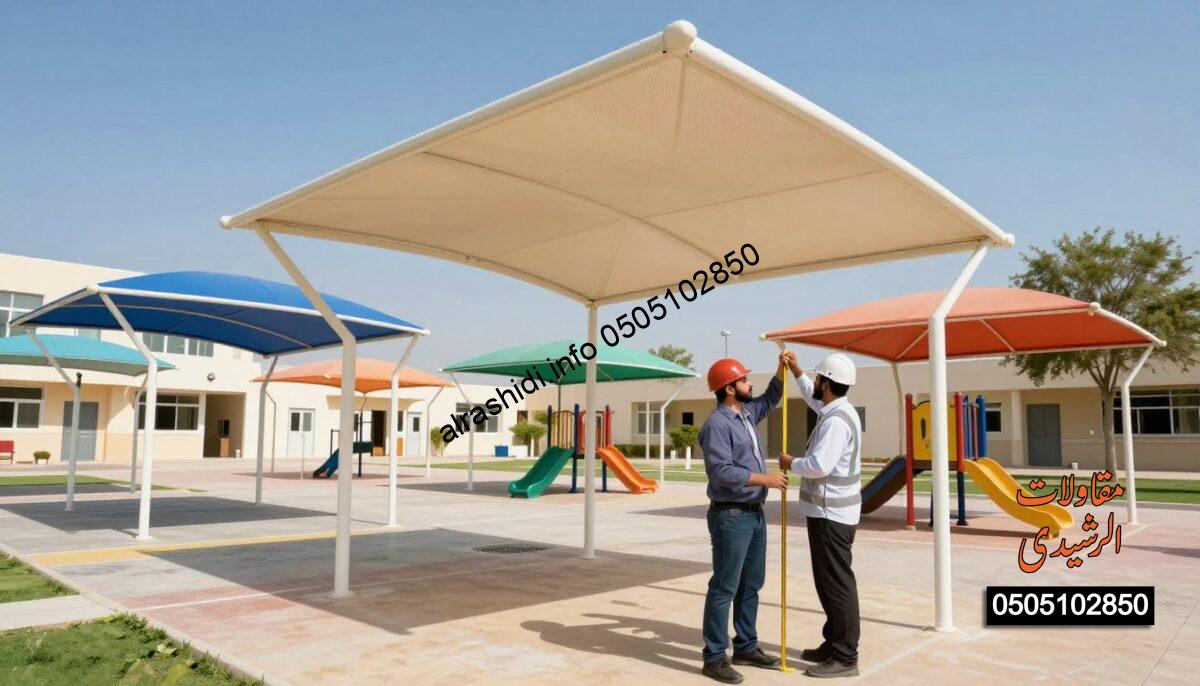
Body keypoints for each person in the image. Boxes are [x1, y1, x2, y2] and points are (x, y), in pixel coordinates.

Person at [699, 353, 790, 684]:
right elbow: (722, 473)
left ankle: (747, 646)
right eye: (744, 379)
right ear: (729, 388)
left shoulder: (747, 413)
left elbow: (772, 397)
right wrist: (766, 479)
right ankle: (713, 656)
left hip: (754, 515)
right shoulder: (717, 425)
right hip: (731, 515)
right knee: (725, 586)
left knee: (751, 584)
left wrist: (783, 366)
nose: (750, 383)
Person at [778, 351, 862, 679]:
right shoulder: (836, 410)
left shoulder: (836, 422)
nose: (814, 383)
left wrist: (790, 463)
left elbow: (819, 466)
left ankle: (845, 656)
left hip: (832, 516)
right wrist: (797, 369)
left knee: (837, 585)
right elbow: (811, 398)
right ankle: (834, 643)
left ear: (826, 383)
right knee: (828, 584)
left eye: (817, 379)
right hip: (833, 513)